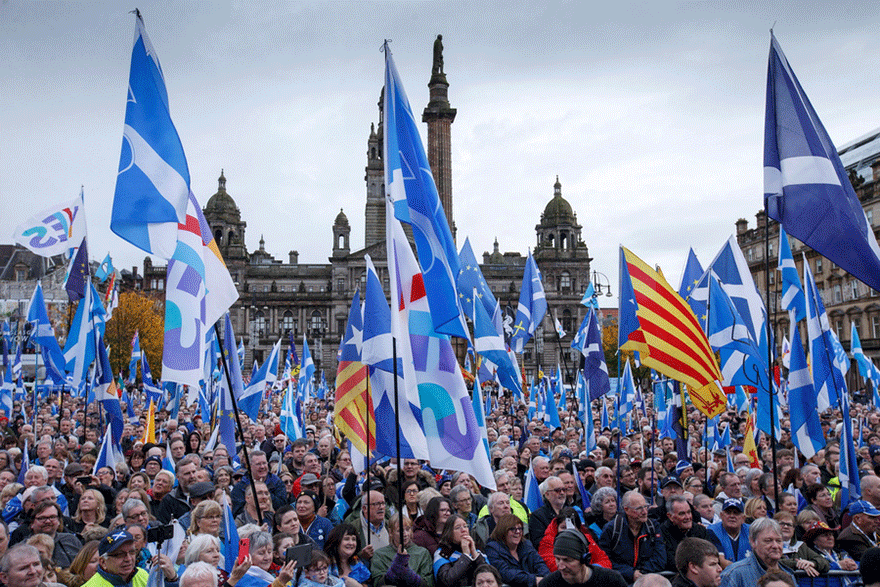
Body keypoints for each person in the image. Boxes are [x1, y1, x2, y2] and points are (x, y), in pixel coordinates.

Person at [597, 490, 665, 583]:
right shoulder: (613, 528)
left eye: (646, 506)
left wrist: (641, 573)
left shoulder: (653, 526)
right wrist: (630, 573)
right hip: (620, 581)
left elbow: (660, 558)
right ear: (626, 510)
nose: (645, 512)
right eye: (639, 508)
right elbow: (605, 559)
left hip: (647, 579)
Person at [84, 530, 178, 587]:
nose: (128, 559)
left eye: (132, 552)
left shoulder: (144, 575)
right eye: (120, 554)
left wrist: (172, 579)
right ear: (103, 562)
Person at [718, 518, 795, 587]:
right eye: (768, 541)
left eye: (778, 541)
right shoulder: (734, 574)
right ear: (753, 542)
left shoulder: (789, 575)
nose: (775, 546)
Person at [539, 529, 627, 587]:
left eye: (567, 560)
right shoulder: (548, 584)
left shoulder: (612, 581)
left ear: (584, 559)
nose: (561, 567)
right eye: (558, 559)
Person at [537, 508, 611, 572]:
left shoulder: (587, 539)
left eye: (572, 528)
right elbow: (554, 567)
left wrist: (592, 570)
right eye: (563, 527)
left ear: (578, 528)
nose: (568, 531)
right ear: (557, 527)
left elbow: (604, 561)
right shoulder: (547, 542)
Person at [485, 513, 548, 587]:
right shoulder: (492, 548)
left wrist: (544, 579)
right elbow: (505, 573)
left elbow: (540, 565)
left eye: (520, 528)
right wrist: (533, 580)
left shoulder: (526, 545)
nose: (517, 532)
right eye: (512, 529)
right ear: (502, 531)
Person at [370, 515, 433, 587]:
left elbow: (428, 583)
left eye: (408, 529)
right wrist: (394, 570)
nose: (405, 534)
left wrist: (409, 575)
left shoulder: (422, 553)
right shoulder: (380, 554)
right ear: (391, 532)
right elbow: (377, 583)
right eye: (400, 530)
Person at [659, 495, 710, 573]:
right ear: (670, 516)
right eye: (682, 514)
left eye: (689, 512)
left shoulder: (700, 530)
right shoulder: (661, 533)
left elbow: (710, 556)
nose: (687, 517)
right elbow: (671, 562)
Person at [433, 514, 486, 587]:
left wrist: (475, 554)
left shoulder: (477, 550)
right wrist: (465, 556)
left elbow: (489, 575)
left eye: (465, 526)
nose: (463, 530)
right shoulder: (442, 553)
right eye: (458, 527)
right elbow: (446, 581)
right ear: (449, 532)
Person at [773, 511, 826, 577]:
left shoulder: (801, 546)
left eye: (789, 525)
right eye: (782, 524)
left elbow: (824, 562)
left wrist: (812, 563)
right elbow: (773, 562)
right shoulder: (769, 545)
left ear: (793, 529)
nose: (786, 527)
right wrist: (798, 564)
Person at [706, 499, 750, 566]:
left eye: (736, 513)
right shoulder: (712, 531)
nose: (732, 516)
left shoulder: (751, 531)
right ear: (721, 516)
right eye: (728, 513)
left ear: (743, 518)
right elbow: (722, 562)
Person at [528, 476, 569, 549]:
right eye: (557, 490)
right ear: (547, 495)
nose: (562, 493)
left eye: (564, 489)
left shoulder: (570, 512)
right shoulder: (538, 516)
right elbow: (539, 543)